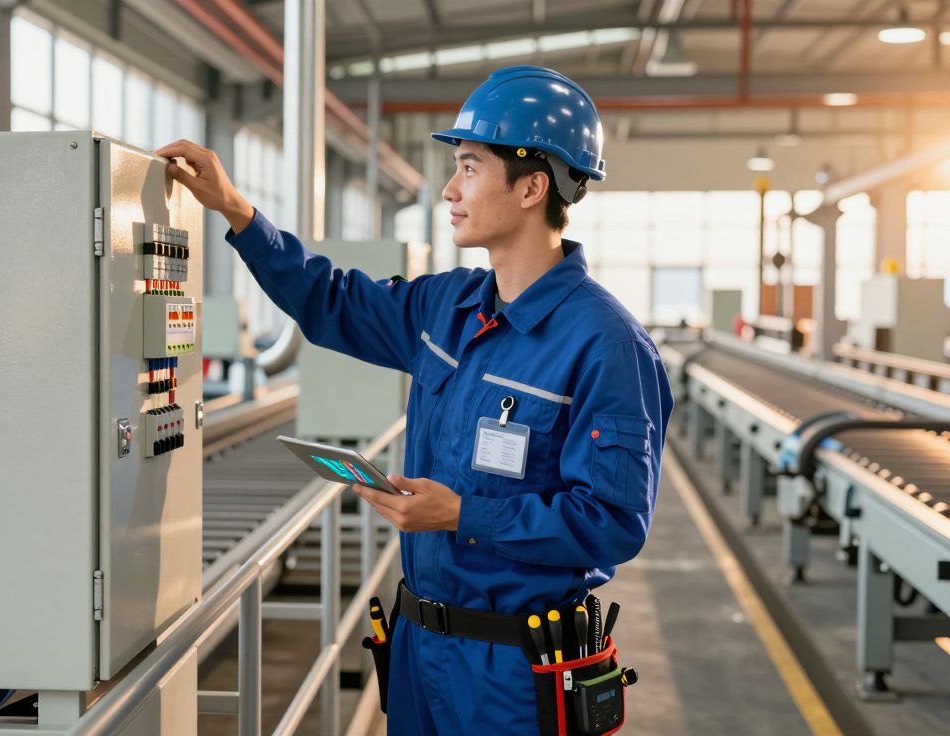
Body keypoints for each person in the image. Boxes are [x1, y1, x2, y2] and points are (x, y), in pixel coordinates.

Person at [156, 65, 672, 735]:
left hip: (514, 673)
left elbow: (610, 522)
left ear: (532, 186)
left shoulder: (605, 344)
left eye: (469, 167)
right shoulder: (447, 306)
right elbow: (329, 298)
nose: (451, 190)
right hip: (420, 646)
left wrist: (462, 514)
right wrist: (235, 210)